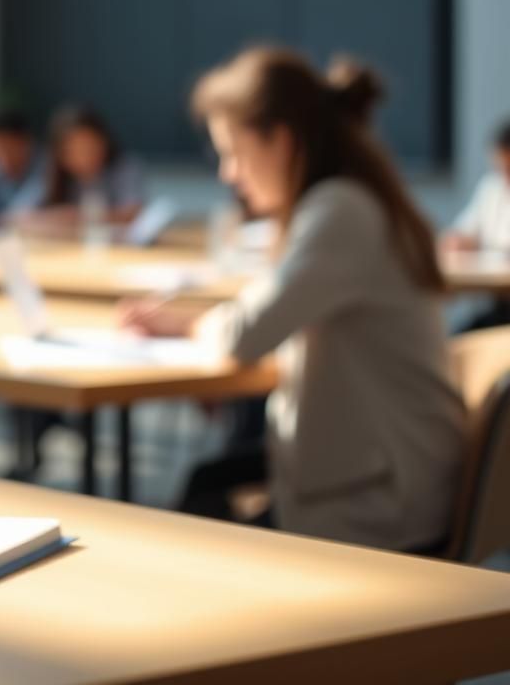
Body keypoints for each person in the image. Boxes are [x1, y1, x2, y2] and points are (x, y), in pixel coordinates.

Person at [121, 48, 465, 553]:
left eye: (233, 151)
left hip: (379, 508)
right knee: (202, 493)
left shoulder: (340, 211)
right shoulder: (346, 203)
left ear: (280, 141)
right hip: (376, 477)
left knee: (189, 530)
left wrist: (188, 328)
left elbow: (245, 333)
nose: (228, 174)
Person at [16, 106, 145, 235]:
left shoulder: (123, 167)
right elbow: (17, 215)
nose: (86, 157)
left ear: (105, 142)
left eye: (91, 146)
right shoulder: (52, 174)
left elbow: (134, 214)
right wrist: (61, 217)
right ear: (61, 155)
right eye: (76, 150)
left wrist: (80, 216)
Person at [441, 120, 510, 330]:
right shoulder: (493, 187)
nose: (504, 171)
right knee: (457, 339)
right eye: (501, 163)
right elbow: (463, 232)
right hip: (498, 303)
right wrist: (458, 241)